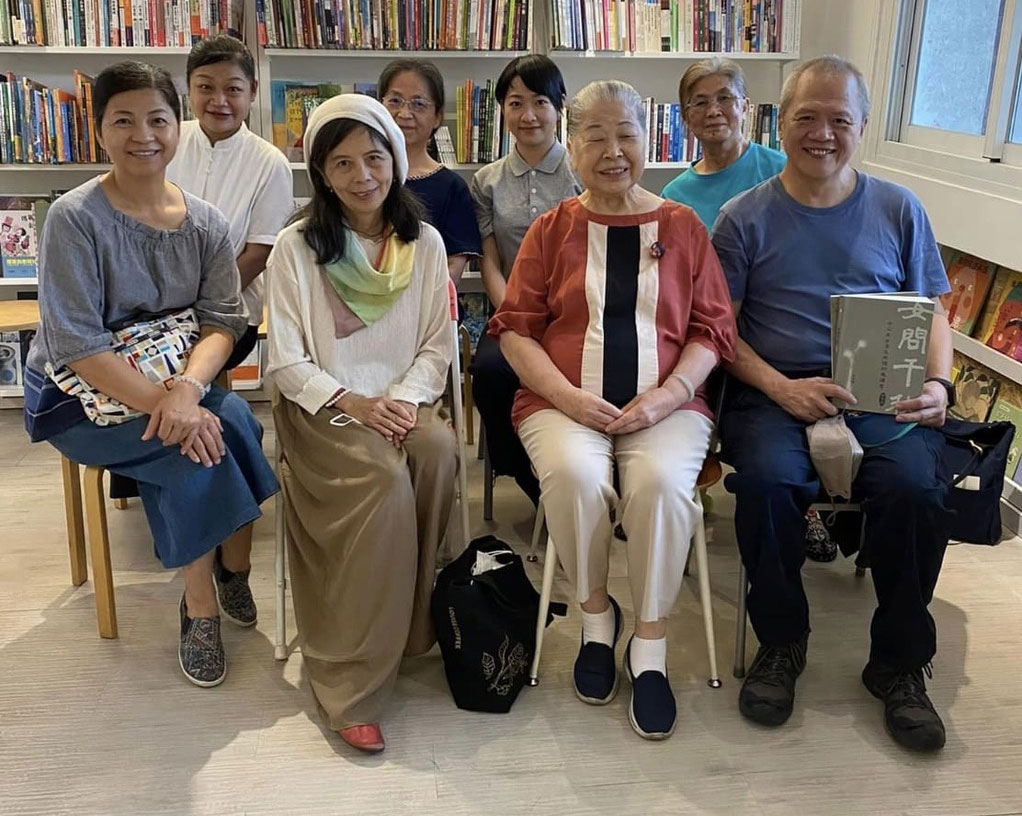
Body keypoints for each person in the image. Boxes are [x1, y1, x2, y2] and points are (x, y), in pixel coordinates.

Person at [712, 56, 953, 752]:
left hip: (882, 389)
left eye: (839, 119)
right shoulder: (742, 219)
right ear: (779, 123)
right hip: (774, 390)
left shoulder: (899, 209)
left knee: (917, 490)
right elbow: (720, 332)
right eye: (806, 117)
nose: (822, 133)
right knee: (766, 484)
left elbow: (935, 310)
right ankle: (781, 642)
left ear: (863, 126)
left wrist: (938, 386)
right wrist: (780, 387)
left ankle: (899, 663)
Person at [492, 80, 736, 740]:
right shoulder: (552, 229)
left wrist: (667, 396)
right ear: (571, 146)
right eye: (594, 136)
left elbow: (713, 330)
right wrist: (568, 397)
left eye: (626, 134)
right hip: (560, 401)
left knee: (659, 486)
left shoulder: (683, 226)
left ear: (648, 140)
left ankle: (650, 645)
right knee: (574, 477)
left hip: (670, 405)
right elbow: (514, 329)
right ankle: (598, 621)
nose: (612, 151)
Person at [22, 61, 279, 688]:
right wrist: (173, 409)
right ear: (99, 131)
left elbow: (223, 320)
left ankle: (235, 570)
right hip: (79, 398)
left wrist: (187, 391)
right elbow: (76, 344)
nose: (143, 135)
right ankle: (201, 607)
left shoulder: (207, 222)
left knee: (240, 424)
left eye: (157, 120)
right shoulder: (74, 218)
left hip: (177, 375)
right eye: (123, 121)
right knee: (190, 452)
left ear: (176, 125)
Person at [265, 94, 456, 755]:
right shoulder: (296, 247)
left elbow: (437, 345)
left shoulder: (424, 243)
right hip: (324, 410)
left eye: (373, 158)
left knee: (439, 451)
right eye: (341, 163)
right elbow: (286, 360)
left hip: (401, 403)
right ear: (321, 173)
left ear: (396, 160)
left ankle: (408, 626)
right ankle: (351, 678)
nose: (362, 175)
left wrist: (400, 401)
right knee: (381, 480)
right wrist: (355, 404)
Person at [113, 35, 289, 607]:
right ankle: (198, 535)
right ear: (187, 91)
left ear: (252, 92)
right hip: (148, 316)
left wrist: (196, 307)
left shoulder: (268, 162)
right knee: (187, 417)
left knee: (204, 410)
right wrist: (162, 308)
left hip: (229, 310)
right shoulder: (162, 140)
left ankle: (210, 541)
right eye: (205, 87)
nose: (220, 100)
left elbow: (258, 250)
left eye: (233, 89)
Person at [662, 57, 835, 562]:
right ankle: (672, 492)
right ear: (685, 117)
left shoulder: (783, 168)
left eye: (724, 98)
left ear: (745, 107)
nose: (713, 110)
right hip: (709, 326)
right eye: (699, 102)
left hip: (772, 323)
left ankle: (806, 506)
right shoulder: (675, 195)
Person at [469, 54, 581, 506]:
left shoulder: (583, 171)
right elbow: (490, 259)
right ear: (503, 110)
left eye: (540, 102)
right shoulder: (486, 181)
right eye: (516, 103)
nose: (528, 115)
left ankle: (583, 474)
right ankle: (526, 475)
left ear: (560, 106)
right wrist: (514, 314)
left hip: (577, 313)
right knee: (490, 372)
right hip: (512, 312)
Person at [378, 58, 481, 284]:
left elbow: (453, 269)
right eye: (395, 101)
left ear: (437, 117)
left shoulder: (452, 187)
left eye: (418, 104)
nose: (404, 113)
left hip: (429, 302)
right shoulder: (366, 179)